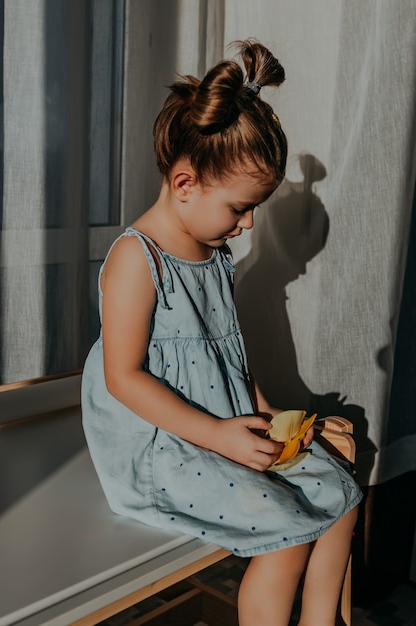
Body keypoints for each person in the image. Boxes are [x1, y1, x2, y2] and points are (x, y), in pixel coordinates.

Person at [82, 39, 362, 626]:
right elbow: (123, 378)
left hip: (219, 430)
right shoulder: (139, 260)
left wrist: (273, 418)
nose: (249, 222)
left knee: (339, 492)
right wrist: (217, 435)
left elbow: (229, 358)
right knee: (287, 537)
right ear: (185, 184)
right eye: (240, 208)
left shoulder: (213, 255)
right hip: (163, 450)